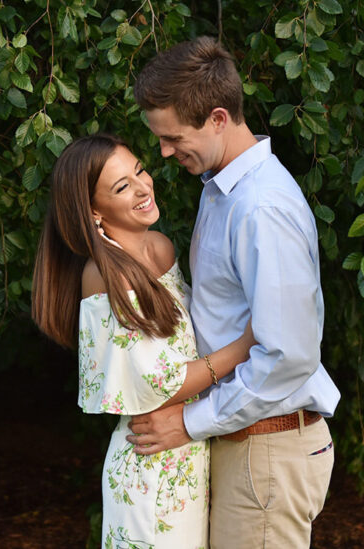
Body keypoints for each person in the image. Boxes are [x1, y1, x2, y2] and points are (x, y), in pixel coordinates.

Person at [127, 37, 341, 548]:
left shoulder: (260, 208)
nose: (163, 151)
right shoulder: (224, 190)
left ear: (218, 118)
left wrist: (190, 422)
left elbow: (288, 355)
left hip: (266, 451)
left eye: (173, 137)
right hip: (246, 445)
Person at [32, 133, 257, 548]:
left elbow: (193, 339)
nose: (142, 187)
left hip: (192, 449)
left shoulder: (161, 247)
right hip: (151, 463)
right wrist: (247, 344)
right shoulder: (104, 275)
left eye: (139, 171)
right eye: (121, 187)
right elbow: (158, 384)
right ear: (94, 212)